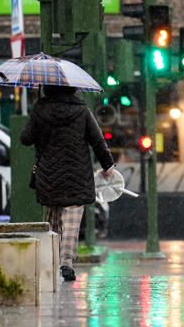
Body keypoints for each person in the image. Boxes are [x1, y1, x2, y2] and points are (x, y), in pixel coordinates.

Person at [20, 85, 115, 282]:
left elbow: (25, 139)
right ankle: (66, 262)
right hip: (77, 175)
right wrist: (108, 165)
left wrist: (38, 116)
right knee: (71, 223)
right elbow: (97, 140)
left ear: (47, 88)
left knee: (53, 221)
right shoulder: (82, 110)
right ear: (73, 88)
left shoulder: (40, 109)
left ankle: (50, 260)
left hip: (48, 175)